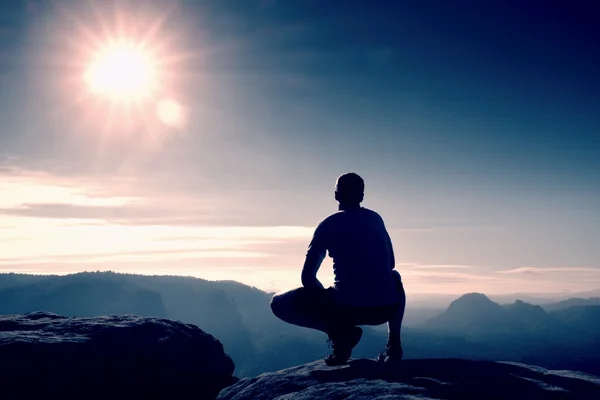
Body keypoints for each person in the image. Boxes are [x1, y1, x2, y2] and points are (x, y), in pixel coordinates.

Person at [270, 172, 406, 366]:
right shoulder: (376, 220)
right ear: (361, 196)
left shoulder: (328, 225)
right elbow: (390, 264)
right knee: (395, 277)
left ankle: (341, 335)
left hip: (344, 310)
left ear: (336, 195)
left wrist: (326, 302)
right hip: (382, 311)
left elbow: (307, 277)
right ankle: (394, 345)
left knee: (277, 303)